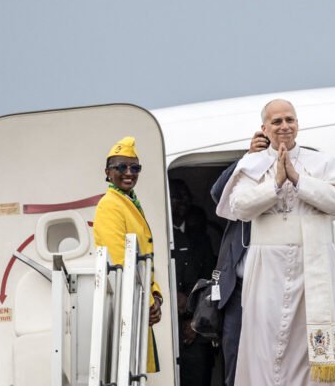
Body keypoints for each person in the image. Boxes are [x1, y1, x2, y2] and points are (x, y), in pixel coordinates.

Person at [216, 99, 335, 385]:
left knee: (311, 346)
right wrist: (274, 184)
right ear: (264, 128)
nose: (284, 126)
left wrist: (298, 180)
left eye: (289, 120)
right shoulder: (250, 164)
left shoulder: (322, 163)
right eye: (276, 121)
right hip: (267, 270)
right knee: (266, 343)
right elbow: (239, 207)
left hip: (315, 266)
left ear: (297, 123)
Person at [93, 136, 163, 373]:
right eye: (121, 167)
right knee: (124, 372)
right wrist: (150, 302)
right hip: (124, 306)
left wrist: (156, 296)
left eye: (135, 168)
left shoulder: (127, 201)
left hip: (138, 301)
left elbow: (145, 260)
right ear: (108, 172)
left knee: (136, 373)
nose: (129, 173)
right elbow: (120, 261)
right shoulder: (109, 204)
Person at [210, 131, 268, 386]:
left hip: (273, 284)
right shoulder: (248, 169)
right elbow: (217, 193)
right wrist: (248, 156)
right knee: (234, 356)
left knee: (271, 359)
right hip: (238, 288)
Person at [169, 179, 216, 386]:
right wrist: (172, 295)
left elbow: (213, 280)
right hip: (166, 324)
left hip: (196, 329)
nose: (183, 201)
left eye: (186, 197)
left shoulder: (201, 238)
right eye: (177, 196)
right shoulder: (157, 234)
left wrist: (196, 320)